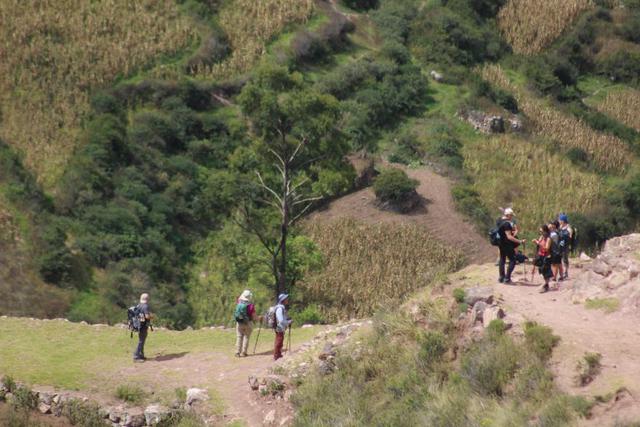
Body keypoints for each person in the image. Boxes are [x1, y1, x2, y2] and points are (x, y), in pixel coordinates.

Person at [497, 208, 526, 284]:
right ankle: (507, 278)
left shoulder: (499, 220)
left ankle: (501, 277)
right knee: (512, 260)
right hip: (507, 244)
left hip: (500, 243)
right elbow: (509, 236)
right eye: (511, 215)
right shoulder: (507, 224)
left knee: (502, 259)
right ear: (508, 215)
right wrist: (520, 241)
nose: (512, 217)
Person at [234, 290, 258, 357]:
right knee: (246, 337)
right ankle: (244, 352)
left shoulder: (239, 303)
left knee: (239, 337)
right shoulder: (250, 306)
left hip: (239, 322)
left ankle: (237, 352)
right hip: (248, 323)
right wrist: (258, 319)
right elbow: (254, 316)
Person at [532, 225, 553, 293]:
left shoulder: (548, 239)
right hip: (540, 255)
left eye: (542, 231)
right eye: (540, 231)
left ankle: (546, 285)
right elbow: (539, 246)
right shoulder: (541, 237)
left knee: (546, 270)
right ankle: (545, 283)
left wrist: (538, 243)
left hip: (546, 256)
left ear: (545, 231)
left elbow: (546, 248)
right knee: (541, 270)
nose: (541, 233)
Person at [133, 293, 152, 362]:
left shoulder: (138, 305)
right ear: (147, 299)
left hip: (139, 325)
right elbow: (147, 316)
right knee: (141, 341)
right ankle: (136, 356)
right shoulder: (145, 306)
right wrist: (152, 317)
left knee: (141, 340)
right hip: (143, 326)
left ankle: (141, 355)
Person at [273, 293, 292, 361]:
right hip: (279, 327)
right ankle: (276, 355)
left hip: (280, 327)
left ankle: (278, 354)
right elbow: (281, 320)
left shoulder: (281, 307)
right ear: (283, 300)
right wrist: (288, 322)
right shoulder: (280, 308)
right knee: (279, 340)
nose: (287, 300)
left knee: (280, 340)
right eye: (286, 299)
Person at [558, 214, 573, 280]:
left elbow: (570, 237)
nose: (559, 221)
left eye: (560, 220)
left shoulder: (569, 228)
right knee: (559, 259)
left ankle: (565, 272)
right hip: (560, 245)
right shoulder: (560, 227)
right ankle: (561, 273)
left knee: (565, 259)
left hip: (566, 246)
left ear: (563, 221)